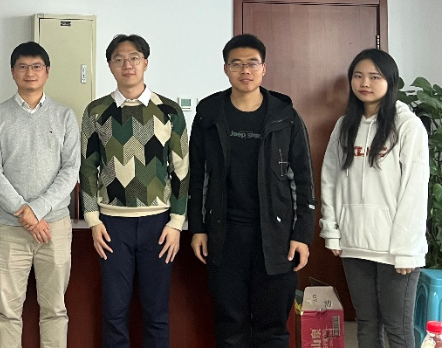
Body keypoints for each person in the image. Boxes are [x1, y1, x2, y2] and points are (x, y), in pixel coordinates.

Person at [188, 33, 315, 348]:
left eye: (252, 64)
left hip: (275, 236)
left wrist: (302, 234)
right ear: (226, 69)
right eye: (237, 64)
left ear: (264, 68)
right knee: (230, 325)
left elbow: (302, 179)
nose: (245, 70)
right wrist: (198, 228)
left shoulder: (285, 116)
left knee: (272, 327)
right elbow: (198, 176)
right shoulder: (209, 114)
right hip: (225, 235)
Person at [79, 34, 189, 348]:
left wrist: (176, 223)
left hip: (159, 225)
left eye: (134, 58)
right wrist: (93, 220)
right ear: (110, 66)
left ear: (146, 63)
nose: (127, 65)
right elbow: (87, 167)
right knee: (114, 312)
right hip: (112, 226)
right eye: (119, 59)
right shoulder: (96, 111)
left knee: (156, 312)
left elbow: (181, 169)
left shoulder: (168, 110)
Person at [320, 48, 429, 348]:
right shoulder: (345, 125)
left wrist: (407, 249)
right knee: (366, 324)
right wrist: (332, 230)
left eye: (374, 76)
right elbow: (330, 178)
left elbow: (415, 190)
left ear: (390, 81)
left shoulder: (407, 126)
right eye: (358, 76)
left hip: (395, 251)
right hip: (354, 244)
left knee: (398, 329)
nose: (364, 83)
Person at [0, 41, 81, 348]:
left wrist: (36, 210)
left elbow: (71, 169)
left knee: (55, 310)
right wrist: (25, 213)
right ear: (13, 72)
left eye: (36, 66)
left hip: (55, 228)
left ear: (47, 72)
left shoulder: (64, 116)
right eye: (22, 67)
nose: (30, 73)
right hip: (10, 229)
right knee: (8, 312)